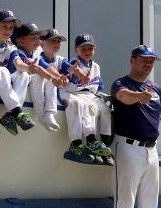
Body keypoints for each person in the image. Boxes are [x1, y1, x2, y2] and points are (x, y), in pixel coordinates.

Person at [111, 45, 161, 208]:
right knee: (125, 201)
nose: (148, 64)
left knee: (150, 202)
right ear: (132, 61)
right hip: (128, 148)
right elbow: (122, 96)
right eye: (144, 60)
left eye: (151, 61)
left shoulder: (156, 89)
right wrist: (140, 96)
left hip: (152, 151)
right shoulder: (122, 83)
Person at [60, 34, 113, 165]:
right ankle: (90, 142)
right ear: (76, 50)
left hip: (89, 94)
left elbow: (98, 87)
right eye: (83, 49)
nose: (87, 52)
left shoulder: (96, 66)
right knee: (86, 107)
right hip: (75, 93)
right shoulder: (73, 64)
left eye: (90, 48)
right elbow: (69, 84)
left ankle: (104, 147)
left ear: (95, 49)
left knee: (105, 109)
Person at [7, 23, 65, 133]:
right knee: (40, 77)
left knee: (49, 79)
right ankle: (41, 114)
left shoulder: (35, 55)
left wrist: (60, 77)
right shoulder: (18, 52)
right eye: (33, 38)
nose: (38, 41)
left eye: (38, 38)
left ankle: (49, 113)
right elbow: (35, 69)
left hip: (29, 85)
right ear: (21, 41)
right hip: (16, 83)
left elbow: (47, 68)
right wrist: (52, 78)